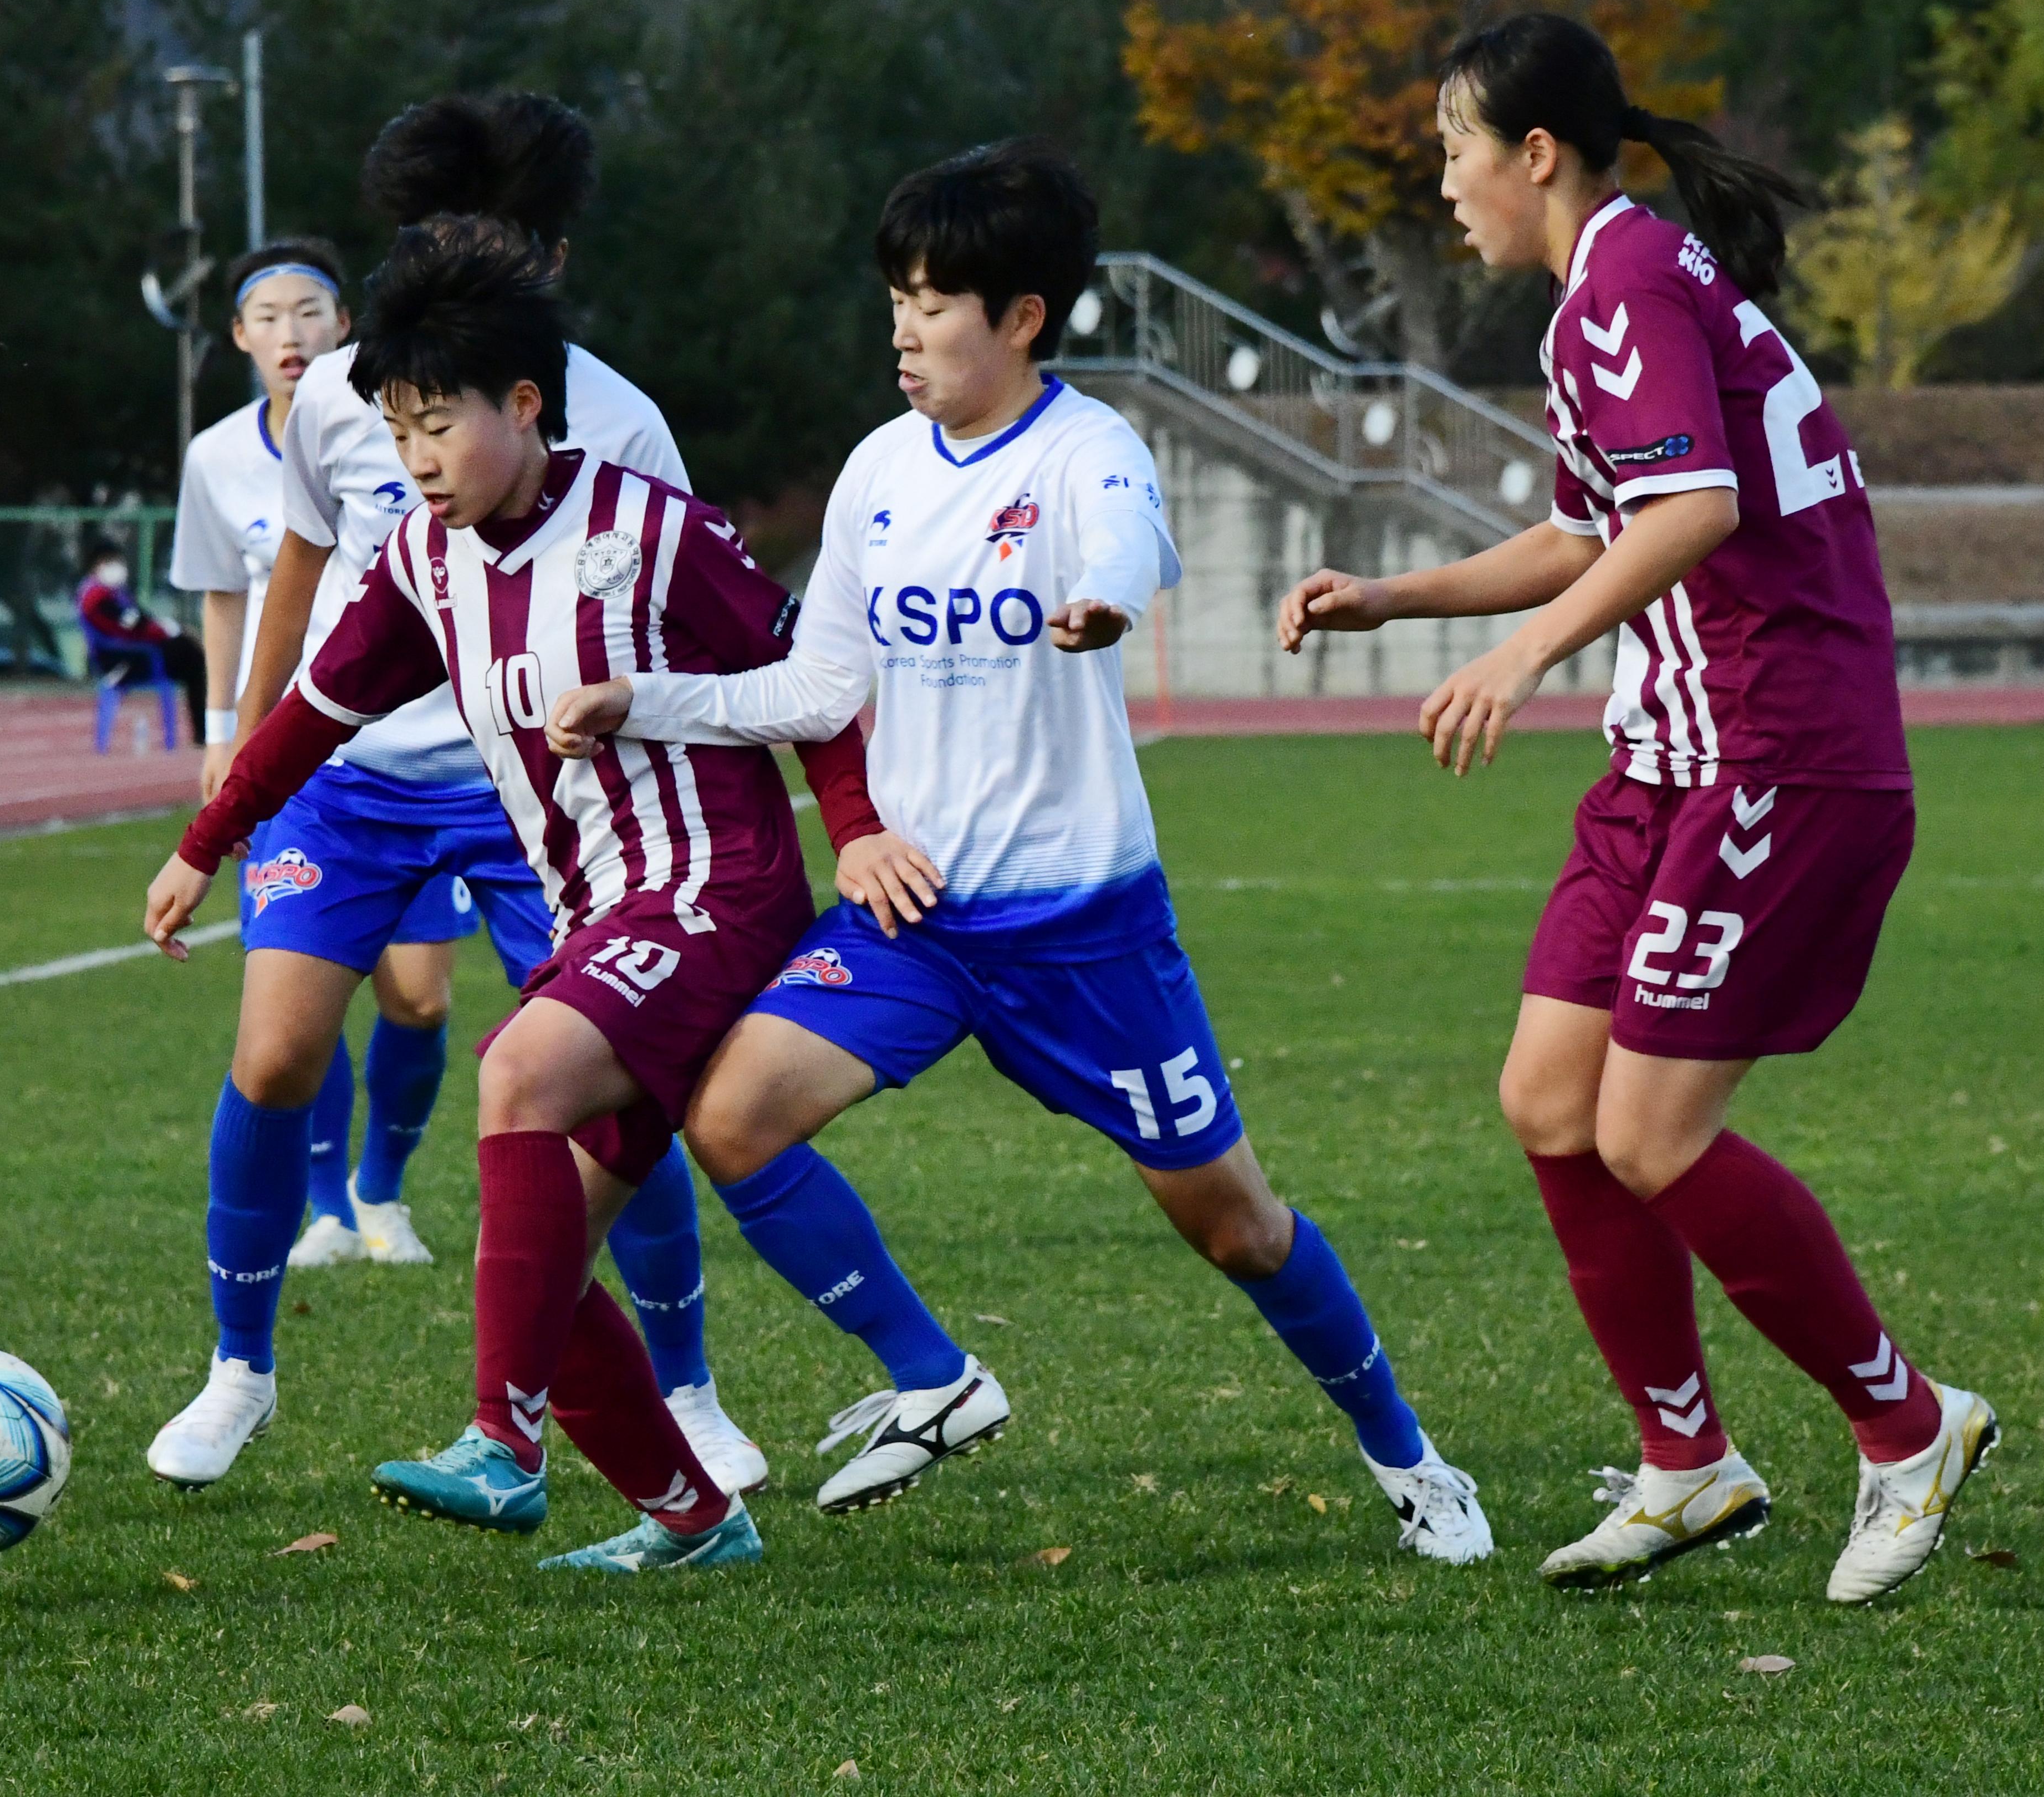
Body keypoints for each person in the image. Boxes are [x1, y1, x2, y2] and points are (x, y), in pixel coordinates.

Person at [549, 140, 1497, 1565]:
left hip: (1086, 935)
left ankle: (1412, 1460)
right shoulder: (877, 470)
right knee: (732, 1116)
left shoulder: (1087, 452)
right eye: (896, 298)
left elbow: (1123, 548)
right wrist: (647, 702)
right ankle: (933, 1376)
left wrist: (1105, 606)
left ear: (1023, 320)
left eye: (935, 300)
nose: (904, 327)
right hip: (916, 922)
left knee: (1236, 1227)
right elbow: (814, 689)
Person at [1273, 12, 1995, 1604]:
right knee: (1551, 1100)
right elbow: (1587, 527)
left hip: (1772, 752)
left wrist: (1527, 657)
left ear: (1535, 153)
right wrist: (1398, 599)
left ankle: (1910, 1425)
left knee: (1649, 1133)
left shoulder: (1627, 285)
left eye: (1457, 151)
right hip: (1671, 755)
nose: (1446, 185)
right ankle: (1687, 1465)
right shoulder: (1619, 287)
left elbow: (1693, 510)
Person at [146, 215, 890, 1572]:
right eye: (395, 432)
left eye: (437, 425)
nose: (413, 460)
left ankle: (504, 1444)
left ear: (526, 403)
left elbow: (815, 688)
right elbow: (311, 711)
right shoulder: (425, 563)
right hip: (604, 911)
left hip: (713, 892)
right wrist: (206, 841)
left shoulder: (649, 527)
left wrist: (856, 830)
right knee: (539, 1244)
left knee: (514, 1075)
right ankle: (690, 1516)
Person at [167, 238, 360, 1260]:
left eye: (311, 311)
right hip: (292, 756)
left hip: (412, 744)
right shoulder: (216, 457)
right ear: (239, 336)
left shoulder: (391, 424)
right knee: (292, 1000)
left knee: (419, 995)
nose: (292, 333)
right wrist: (224, 736)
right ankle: (327, 1204)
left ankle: (381, 1186)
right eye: (270, 316)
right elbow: (226, 596)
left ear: (345, 322)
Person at [77, 539, 209, 744]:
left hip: (135, 651)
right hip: (122, 659)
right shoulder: (96, 596)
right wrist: (169, 632)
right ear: (97, 565)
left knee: (191, 653)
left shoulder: (115, 592)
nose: (117, 567)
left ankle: (204, 729)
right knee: (191, 655)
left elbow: (141, 620)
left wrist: (173, 630)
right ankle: (204, 731)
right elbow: (134, 625)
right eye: (111, 561)